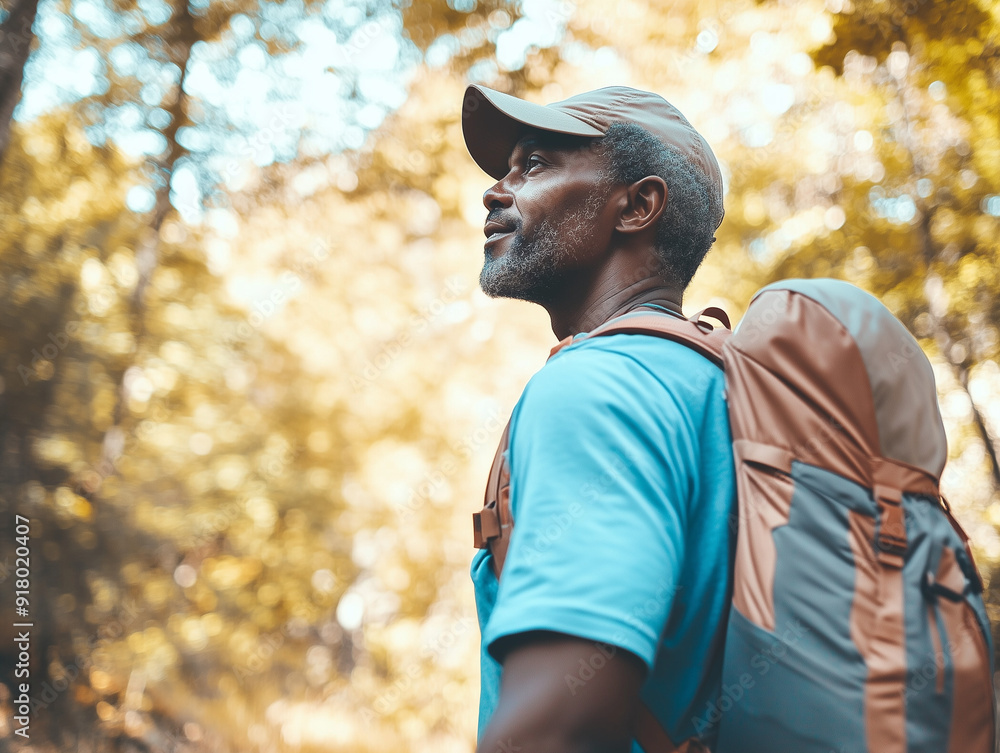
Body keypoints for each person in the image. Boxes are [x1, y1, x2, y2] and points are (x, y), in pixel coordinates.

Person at [463, 83, 736, 753]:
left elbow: (561, 723)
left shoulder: (599, 386)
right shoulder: (718, 383)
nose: (496, 191)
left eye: (535, 165)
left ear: (638, 205)